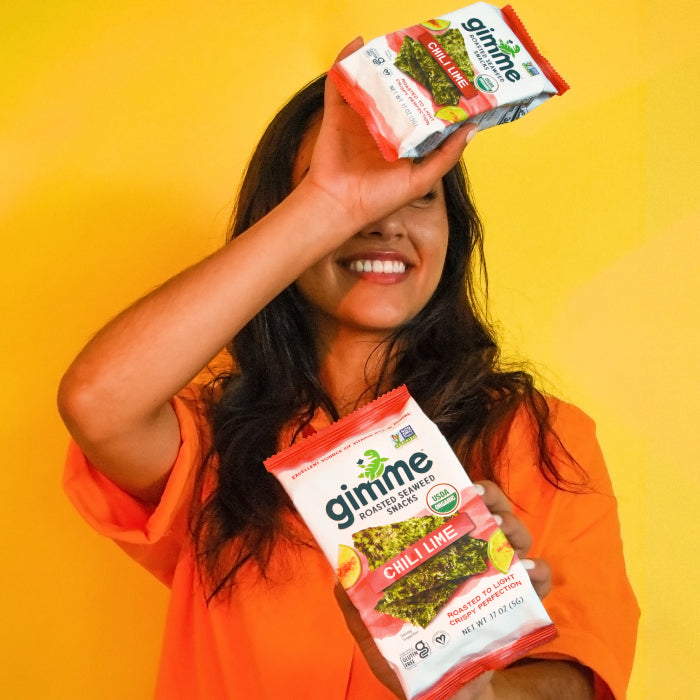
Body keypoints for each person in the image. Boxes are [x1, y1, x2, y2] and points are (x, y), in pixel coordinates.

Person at [58, 40, 638, 699]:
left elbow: (581, 678)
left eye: (418, 193)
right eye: (355, 189)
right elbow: (97, 400)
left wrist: (470, 690)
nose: (384, 221)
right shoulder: (212, 443)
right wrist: (331, 203)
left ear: (454, 231)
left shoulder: (537, 437)